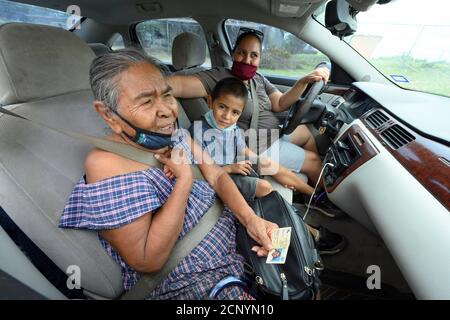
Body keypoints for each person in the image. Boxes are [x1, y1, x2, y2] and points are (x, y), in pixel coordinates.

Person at [59, 49, 279, 300]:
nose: (167, 111)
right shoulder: (106, 163)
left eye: (166, 95)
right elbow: (146, 259)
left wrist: (251, 220)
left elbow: (216, 176)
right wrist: (183, 181)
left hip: (236, 241)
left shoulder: (175, 134)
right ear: (109, 115)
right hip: (197, 281)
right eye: (146, 101)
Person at [167, 28, 342, 218]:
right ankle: (319, 195)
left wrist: (304, 81)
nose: (247, 60)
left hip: (272, 133)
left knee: (307, 132)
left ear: (259, 59)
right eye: (241, 52)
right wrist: (145, 85)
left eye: (254, 55)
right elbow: (181, 85)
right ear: (233, 53)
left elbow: (280, 103)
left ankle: (306, 188)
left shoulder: (258, 79)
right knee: (314, 161)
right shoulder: (218, 77)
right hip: (255, 143)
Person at [188, 77, 346, 255]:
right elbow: (202, 171)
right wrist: (231, 168)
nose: (227, 116)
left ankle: (314, 195)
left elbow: (240, 147)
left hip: (235, 166)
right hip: (221, 177)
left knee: (268, 163)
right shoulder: (199, 131)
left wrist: (258, 160)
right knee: (265, 188)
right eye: (222, 107)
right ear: (210, 102)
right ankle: (309, 234)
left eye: (234, 113)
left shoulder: (229, 126)